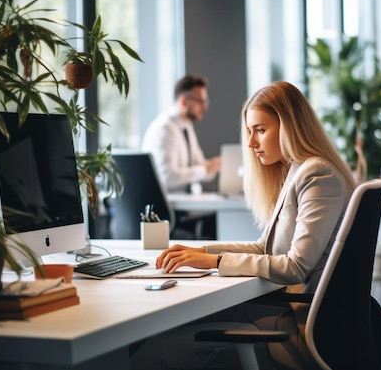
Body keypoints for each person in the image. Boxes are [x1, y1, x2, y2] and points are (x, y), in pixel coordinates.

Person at [130, 81, 357, 370]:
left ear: (289, 126)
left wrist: (214, 260)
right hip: (286, 308)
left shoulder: (316, 173)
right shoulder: (298, 169)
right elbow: (265, 247)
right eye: (249, 131)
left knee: (159, 343)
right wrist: (200, 251)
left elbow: (296, 267)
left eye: (260, 130)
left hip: (296, 321)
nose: (250, 143)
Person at [141, 74, 221, 193]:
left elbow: (198, 164)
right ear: (184, 102)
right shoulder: (165, 128)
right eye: (200, 101)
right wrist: (204, 170)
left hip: (182, 201)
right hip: (165, 205)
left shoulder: (186, 126)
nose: (205, 107)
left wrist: (214, 166)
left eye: (205, 101)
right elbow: (167, 176)